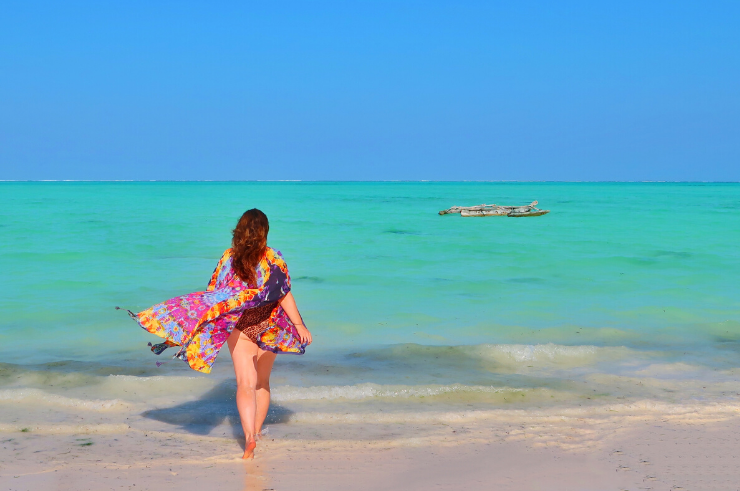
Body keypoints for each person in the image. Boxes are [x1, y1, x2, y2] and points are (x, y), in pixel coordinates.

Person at [121, 208, 311, 459]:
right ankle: (257, 430)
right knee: (262, 383)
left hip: (240, 324)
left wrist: (198, 323)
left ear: (239, 231)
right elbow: (284, 292)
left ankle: (249, 439)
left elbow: (214, 294)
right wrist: (299, 326)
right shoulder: (273, 258)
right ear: (265, 232)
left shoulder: (229, 257)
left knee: (245, 384)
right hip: (269, 324)